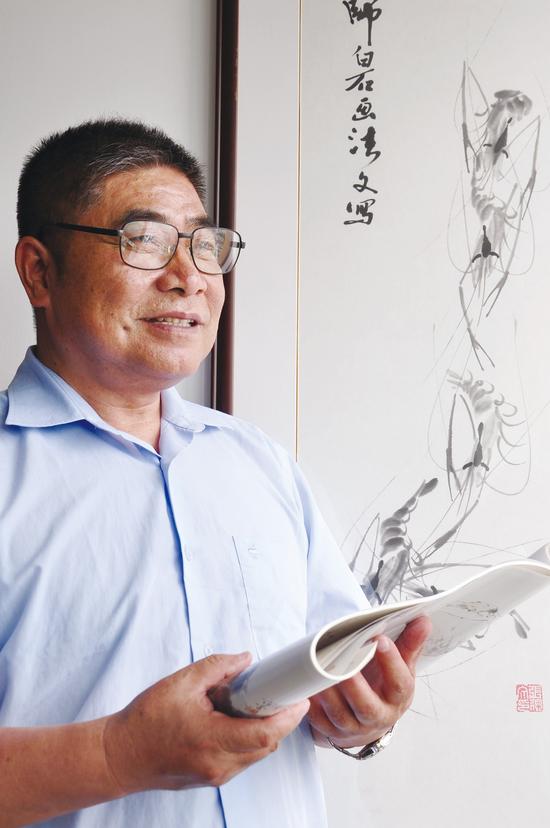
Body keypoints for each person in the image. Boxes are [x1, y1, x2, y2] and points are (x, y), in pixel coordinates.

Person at [0, 119, 430, 827]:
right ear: (39, 271)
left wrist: (359, 719)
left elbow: (330, 678)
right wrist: (116, 755)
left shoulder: (257, 462)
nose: (189, 277)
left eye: (205, 246)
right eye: (144, 240)